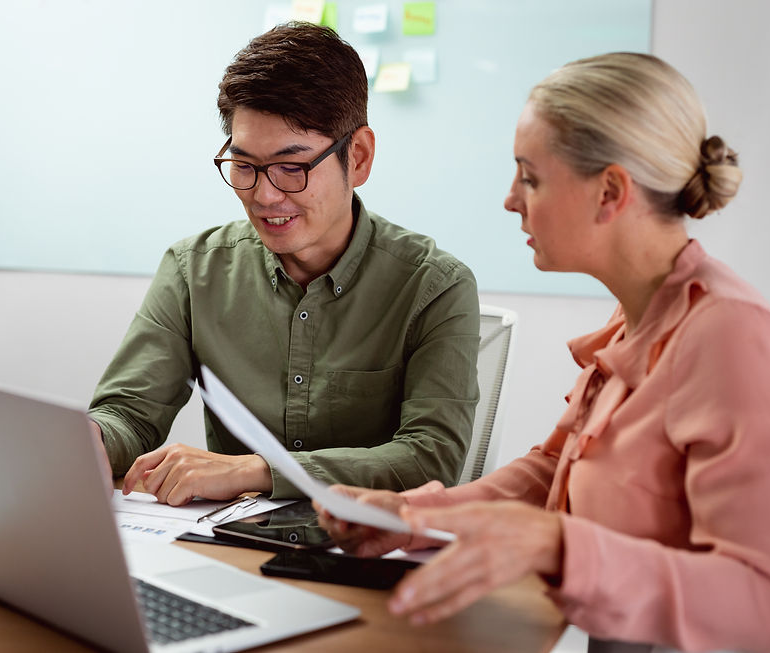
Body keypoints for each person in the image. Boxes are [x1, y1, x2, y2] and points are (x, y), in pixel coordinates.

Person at [317, 52, 770, 653]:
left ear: (610, 191)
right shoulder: (640, 314)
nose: (512, 200)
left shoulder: (731, 340)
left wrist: (557, 545)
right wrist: (410, 518)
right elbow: (551, 474)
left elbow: (763, 601)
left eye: (531, 177)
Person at [87, 22, 480, 504]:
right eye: (244, 165)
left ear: (357, 157)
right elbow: (128, 413)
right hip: (227, 547)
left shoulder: (435, 285)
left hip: (367, 552)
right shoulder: (194, 270)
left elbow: (431, 457)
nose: (265, 195)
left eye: (292, 167)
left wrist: (259, 471)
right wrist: (92, 439)